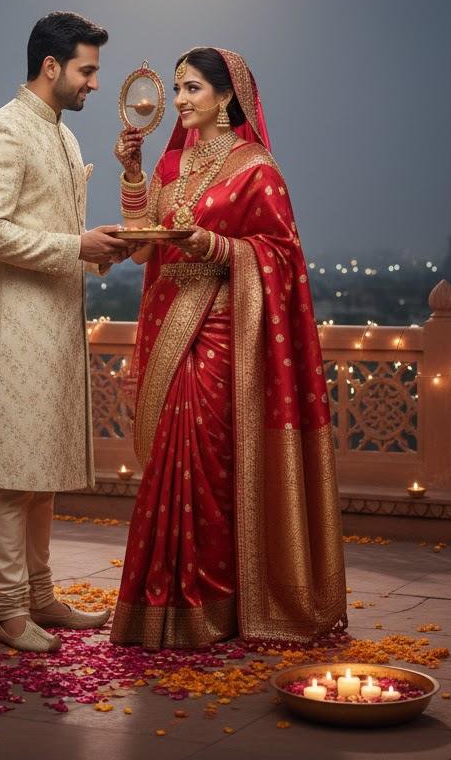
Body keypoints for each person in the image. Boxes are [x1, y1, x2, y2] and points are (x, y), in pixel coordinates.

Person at [109, 46, 348, 650]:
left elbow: (281, 255)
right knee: (168, 466)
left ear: (225, 97)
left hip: (220, 336)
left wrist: (213, 246)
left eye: (192, 89)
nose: (180, 101)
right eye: (177, 88)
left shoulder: (256, 167)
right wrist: (134, 173)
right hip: (171, 330)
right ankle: (160, 606)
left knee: (210, 469)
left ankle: (217, 603)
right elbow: (143, 246)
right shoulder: (174, 166)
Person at [0, 11, 130, 652]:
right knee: (12, 473)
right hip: (16, 325)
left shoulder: (61, 136)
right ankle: (7, 612)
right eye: (87, 71)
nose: (94, 84)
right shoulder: (4, 130)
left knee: (40, 470)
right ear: (52, 66)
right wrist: (74, 245)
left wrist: (96, 247)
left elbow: (59, 234)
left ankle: (38, 597)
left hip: (56, 324)